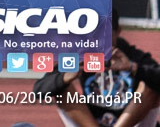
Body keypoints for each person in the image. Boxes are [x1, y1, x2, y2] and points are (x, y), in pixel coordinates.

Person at [32, 11, 160, 126]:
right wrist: (64, 78)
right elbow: (39, 90)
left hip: (130, 123)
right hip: (91, 123)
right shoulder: (80, 54)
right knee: (61, 87)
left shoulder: (132, 55)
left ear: (118, 31)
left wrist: (133, 68)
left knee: (150, 85)